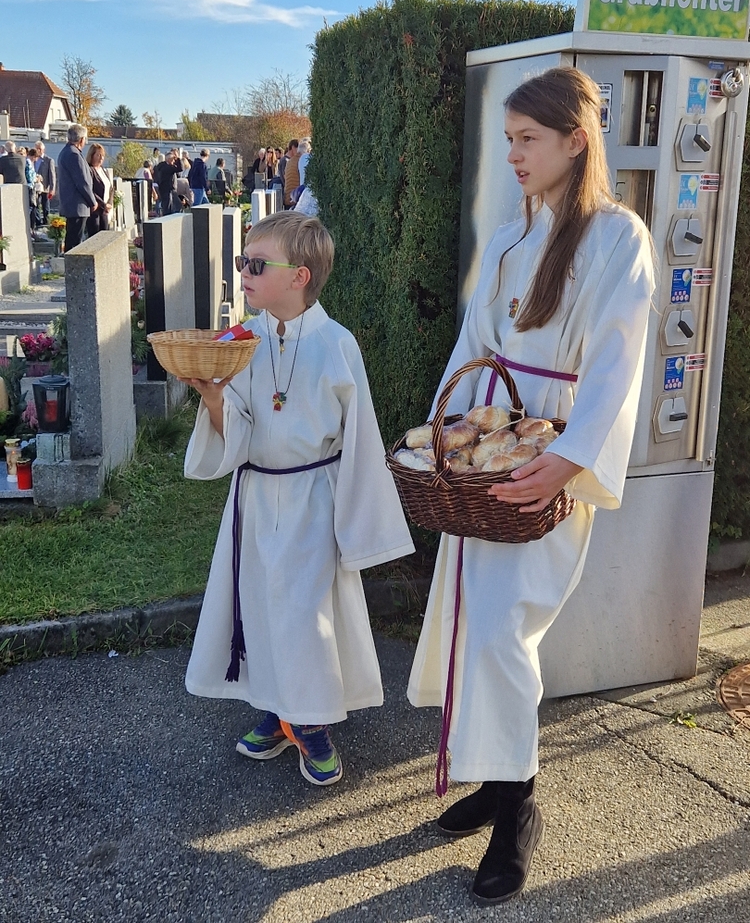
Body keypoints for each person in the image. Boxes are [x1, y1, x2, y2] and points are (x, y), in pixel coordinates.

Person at [406, 67, 655, 907]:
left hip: (550, 457)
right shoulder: (512, 235)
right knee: (474, 621)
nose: (512, 154)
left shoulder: (618, 237)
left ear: (575, 142)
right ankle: (495, 779)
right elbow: (472, 345)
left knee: (505, 630)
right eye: (508, 139)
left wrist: (572, 456)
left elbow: (619, 359)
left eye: (527, 139)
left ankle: (518, 812)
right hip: (489, 456)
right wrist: (444, 439)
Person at [181, 211, 414, 787]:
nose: (244, 273)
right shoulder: (239, 342)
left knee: (307, 616)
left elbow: (360, 437)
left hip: (313, 500)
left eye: (256, 265)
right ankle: (275, 707)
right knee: (260, 605)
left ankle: (310, 723)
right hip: (257, 496)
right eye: (243, 262)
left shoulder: (337, 345)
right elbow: (234, 425)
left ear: (299, 276)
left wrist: (358, 525)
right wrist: (213, 398)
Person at [57, 124, 98, 252]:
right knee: (74, 243)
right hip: (77, 205)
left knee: (73, 239)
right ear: (81, 139)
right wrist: (92, 201)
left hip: (72, 205)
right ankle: (73, 264)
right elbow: (82, 182)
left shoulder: (66, 152)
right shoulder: (74, 155)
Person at [85, 143, 113, 236]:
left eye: (103, 155)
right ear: (92, 155)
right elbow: (90, 190)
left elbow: (111, 189)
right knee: (95, 236)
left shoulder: (103, 170)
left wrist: (109, 203)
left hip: (105, 211)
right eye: (98, 155)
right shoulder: (89, 170)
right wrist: (103, 205)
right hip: (95, 210)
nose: (101, 158)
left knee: (105, 236)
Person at [34, 141, 56, 224]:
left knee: (45, 205)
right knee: (35, 204)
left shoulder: (49, 160)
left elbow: (52, 175)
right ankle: (38, 221)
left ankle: (46, 222)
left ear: (43, 150)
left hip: (45, 187)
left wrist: (52, 188)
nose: (38, 150)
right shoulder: (33, 159)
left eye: (39, 149)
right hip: (35, 187)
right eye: (36, 148)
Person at [153, 149, 181, 216]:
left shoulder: (160, 166)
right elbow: (180, 168)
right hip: (168, 189)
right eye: (173, 160)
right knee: (168, 206)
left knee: (168, 205)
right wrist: (178, 158)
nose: (174, 161)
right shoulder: (168, 168)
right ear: (169, 160)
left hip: (162, 188)